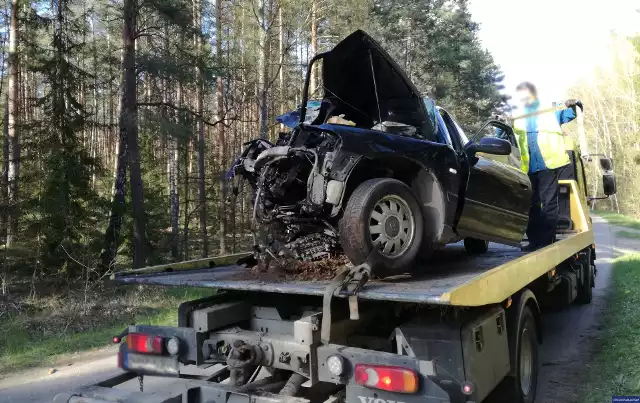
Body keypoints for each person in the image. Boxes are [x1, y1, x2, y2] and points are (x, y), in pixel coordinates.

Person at [513, 82, 583, 251]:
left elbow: (571, 114)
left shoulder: (550, 111)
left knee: (549, 204)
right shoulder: (517, 116)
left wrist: (574, 104)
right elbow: (504, 133)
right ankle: (534, 241)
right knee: (531, 205)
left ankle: (547, 242)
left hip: (548, 165)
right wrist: (499, 122)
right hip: (528, 168)